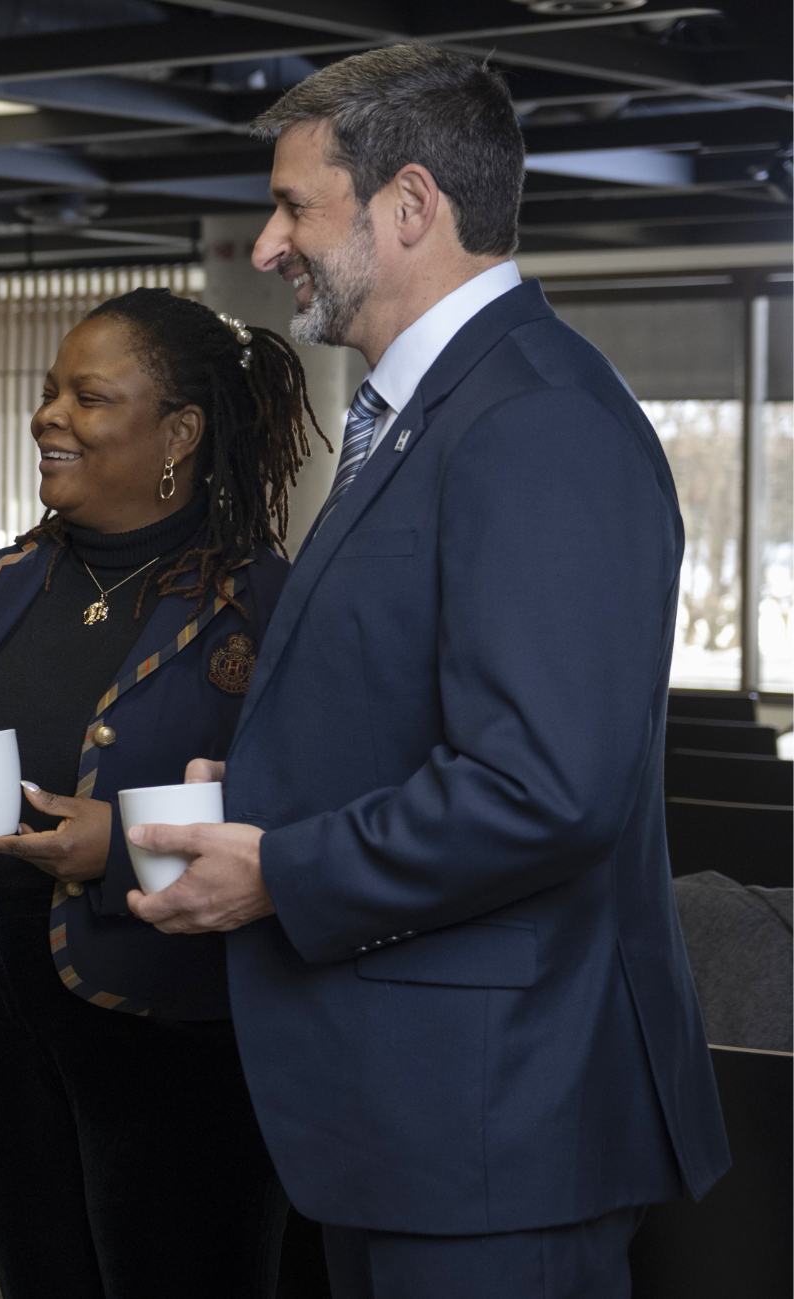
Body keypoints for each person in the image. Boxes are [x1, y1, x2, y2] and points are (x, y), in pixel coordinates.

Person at [122, 46, 730, 1298]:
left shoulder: (536, 420)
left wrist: (278, 869)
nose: (264, 242)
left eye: (293, 204)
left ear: (409, 206)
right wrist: (260, 795)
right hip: (416, 1110)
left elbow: (546, 788)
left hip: (495, 1120)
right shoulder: (431, 411)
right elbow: (415, 707)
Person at [0, 287, 316, 1296]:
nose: (47, 417)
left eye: (88, 396)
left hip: (175, 1044)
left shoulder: (266, 602)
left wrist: (116, 848)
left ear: (180, 433)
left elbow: (300, 823)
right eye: (46, 393)